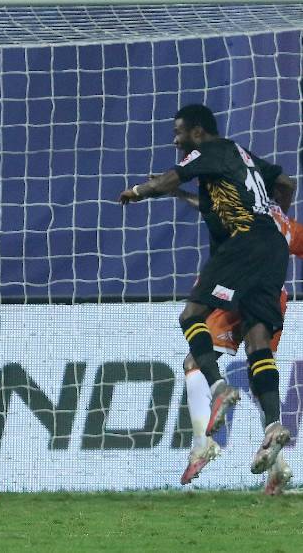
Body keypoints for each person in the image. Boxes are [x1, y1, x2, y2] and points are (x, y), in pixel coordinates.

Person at [119, 103, 296, 475]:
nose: (176, 140)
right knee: (258, 342)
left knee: (190, 316)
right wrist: (274, 212)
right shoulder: (241, 156)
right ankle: (273, 426)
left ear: (197, 132)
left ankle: (218, 389)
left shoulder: (209, 150)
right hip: (271, 250)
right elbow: (286, 183)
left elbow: (168, 179)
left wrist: (138, 190)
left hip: (243, 247)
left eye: (179, 132)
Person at [176, 193, 299, 495]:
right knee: (260, 375)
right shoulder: (284, 222)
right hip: (273, 297)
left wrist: (176, 192)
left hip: (236, 284)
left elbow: (211, 205)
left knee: (194, 361)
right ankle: (278, 464)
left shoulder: (241, 203)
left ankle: (202, 445)